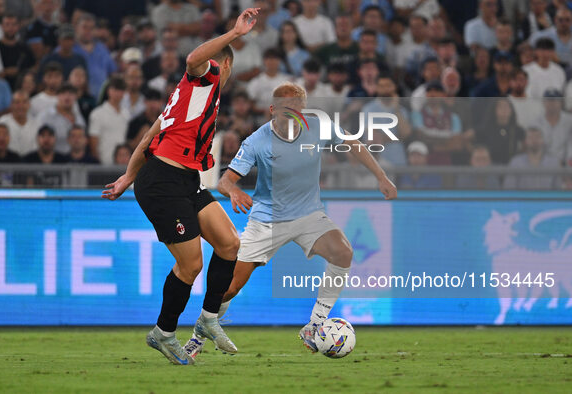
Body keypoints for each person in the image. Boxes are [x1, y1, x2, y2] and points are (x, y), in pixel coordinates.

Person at [183, 82, 397, 358]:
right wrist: (234, 191)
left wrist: (380, 177)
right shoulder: (257, 141)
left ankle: (315, 325)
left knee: (343, 253)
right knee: (228, 289)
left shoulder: (319, 125)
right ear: (272, 110)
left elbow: (353, 144)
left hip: (308, 215)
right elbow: (225, 180)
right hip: (267, 220)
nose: (291, 115)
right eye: (285, 110)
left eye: (296, 109)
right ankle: (198, 336)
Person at [102, 8, 260, 366]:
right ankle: (164, 332)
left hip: (185, 180)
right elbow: (193, 58)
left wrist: (127, 177)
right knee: (191, 265)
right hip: (162, 183)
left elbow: (149, 137)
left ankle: (207, 321)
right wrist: (234, 33)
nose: (225, 75)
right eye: (224, 68)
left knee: (229, 242)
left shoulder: (187, 98)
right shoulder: (202, 78)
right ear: (222, 65)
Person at [88, 76, 129, 165]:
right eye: (115, 89)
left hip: (122, 164)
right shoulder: (97, 114)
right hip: (103, 163)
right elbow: (93, 141)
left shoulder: (126, 114)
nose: (118, 93)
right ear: (108, 91)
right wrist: (97, 162)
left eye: (121, 90)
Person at [0, 90, 37, 155]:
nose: (21, 106)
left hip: (30, 162)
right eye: (17, 102)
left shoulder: (36, 123)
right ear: (11, 104)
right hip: (8, 161)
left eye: (24, 102)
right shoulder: (2, 122)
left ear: (29, 105)